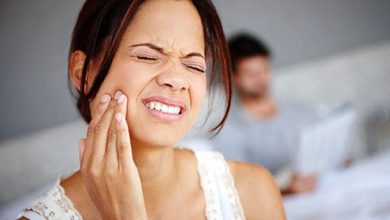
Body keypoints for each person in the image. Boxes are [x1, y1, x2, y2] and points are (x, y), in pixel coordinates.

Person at [17, 1, 285, 219]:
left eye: (194, 65)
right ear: (82, 73)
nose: (177, 80)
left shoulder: (252, 190)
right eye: (147, 56)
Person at [208, 33, 320, 194]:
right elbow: (241, 187)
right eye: (251, 74)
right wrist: (287, 191)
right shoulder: (229, 130)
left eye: (264, 69)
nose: (261, 79)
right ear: (233, 78)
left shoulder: (299, 110)